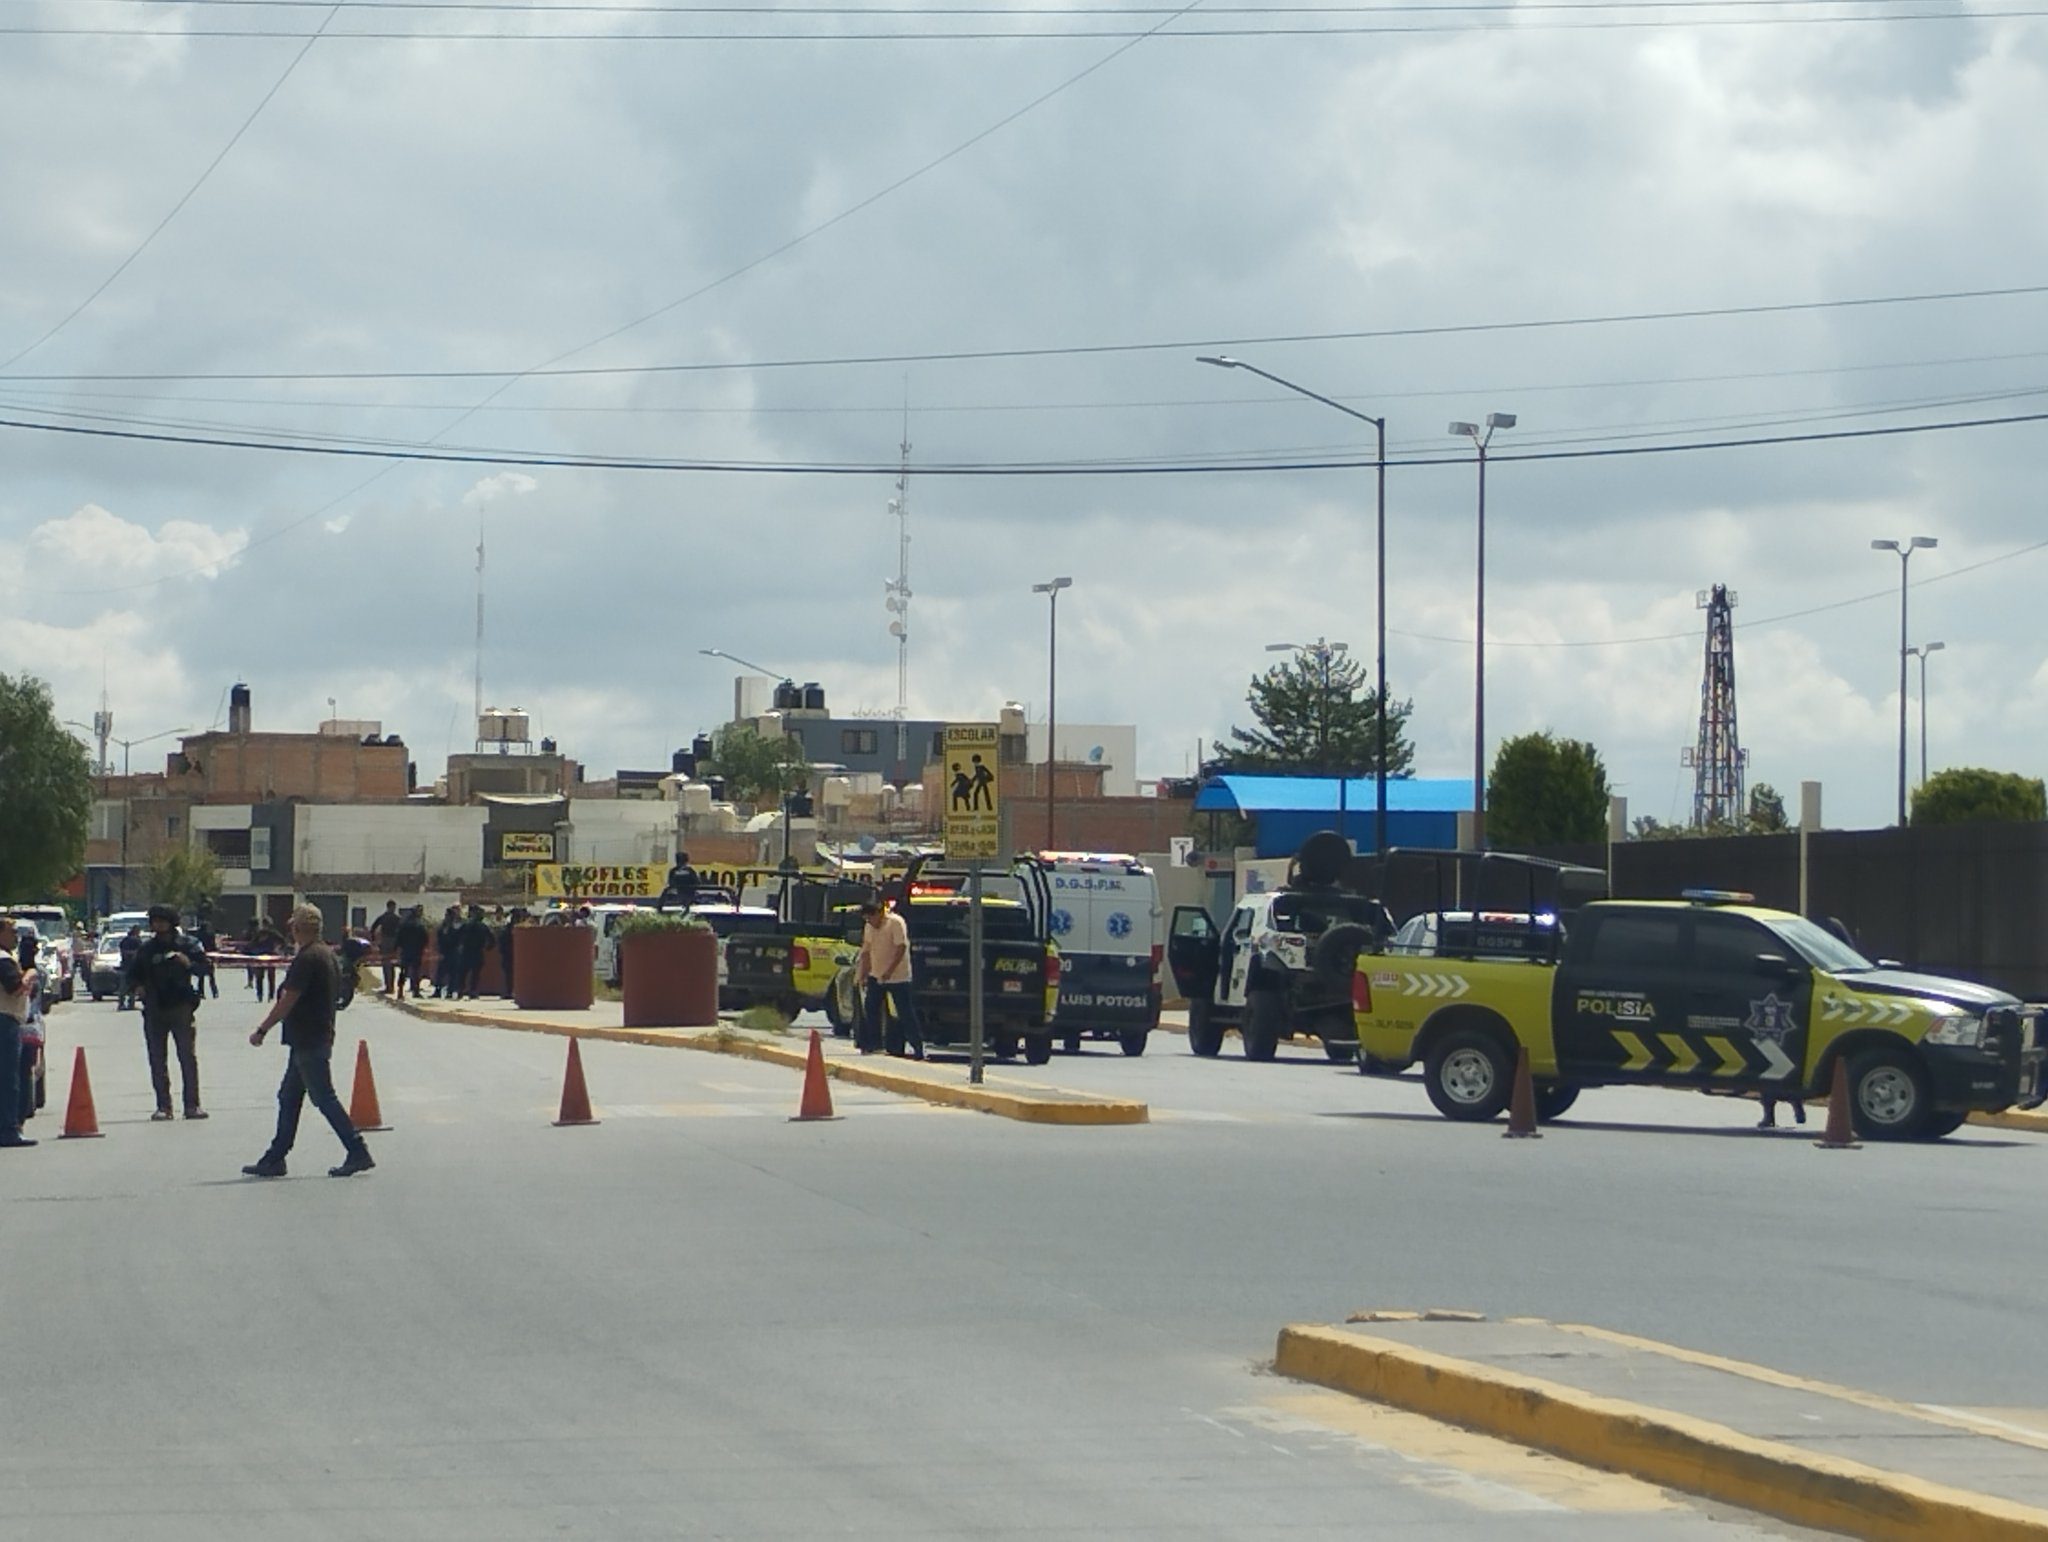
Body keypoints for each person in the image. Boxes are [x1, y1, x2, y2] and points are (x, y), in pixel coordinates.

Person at [242, 904, 374, 1179]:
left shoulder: (308, 958)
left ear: (299, 928)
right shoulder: (326, 954)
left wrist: (262, 1029)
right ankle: (275, 1157)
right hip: (311, 1036)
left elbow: (288, 999)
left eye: (293, 926)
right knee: (289, 1097)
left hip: (309, 1039)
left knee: (324, 1097)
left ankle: (357, 1150)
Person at [129, 903, 209, 1121]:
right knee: (157, 1059)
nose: (158, 925)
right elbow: (132, 974)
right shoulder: (146, 950)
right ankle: (164, 1106)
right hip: (155, 1007)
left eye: (162, 920)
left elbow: (206, 968)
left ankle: (192, 1105)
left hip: (181, 1006)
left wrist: (188, 963)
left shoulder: (189, 945)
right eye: (155, 921)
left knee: (187, 1057)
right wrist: (138, 987)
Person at [853, 898, 922, 1060]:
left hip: (898, 976)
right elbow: (866, 951)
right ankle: (872, 1044)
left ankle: (917, 1046)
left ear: (880, 913)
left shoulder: (895, 923)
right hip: (876, 975)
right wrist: (862, 974)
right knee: (870, 1008)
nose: (869, 922)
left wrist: (889, 971)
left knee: (905, 1012)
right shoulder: (869, 927)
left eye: (871, 918)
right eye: (866, 919)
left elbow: (901, 947)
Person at [0, 917, 39, 1148]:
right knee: (8, 1077)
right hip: (5, 1020)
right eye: (11, 931)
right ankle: (9, 1129)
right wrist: (30, 973)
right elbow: (15, 989)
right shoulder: (3, 960)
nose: (15, 936)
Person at [457, 904, 494, 998]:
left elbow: (457, 937)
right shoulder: (482, 926)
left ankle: (461, 990)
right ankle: (472, 991)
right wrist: (488, 947)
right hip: (476, 951)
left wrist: (458, 947)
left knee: (463, 972)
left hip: (467, 951)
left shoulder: (465, 925)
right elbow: (491, 939)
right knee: (474, 973)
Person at [369, 900, 402, 994]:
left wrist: (373, 939)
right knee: (391, 964)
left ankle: (389, 986)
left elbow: (373, 928)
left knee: (386, 964)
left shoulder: (383, 917)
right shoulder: (397, 918)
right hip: (394, 942)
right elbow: (402, 930)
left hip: (385, 941)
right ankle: (391, 986)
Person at [396, 906, 429, 998]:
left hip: (405, 950)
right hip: (416, 951)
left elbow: (399, 938)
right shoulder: (419, 925)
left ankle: (400, 990)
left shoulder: (404, 924)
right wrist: (422, 947)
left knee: (403, 971)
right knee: (415, 972)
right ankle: (416, 991)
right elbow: (425, 938)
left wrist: (399, 947)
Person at [250, 919, 286, 1002]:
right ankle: (260, 995)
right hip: (260, 956)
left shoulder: (273, 933)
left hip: (271, 956)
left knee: (271, 977)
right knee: (260, 977)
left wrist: (279, 949)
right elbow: (252, 943)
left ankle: (270, 995)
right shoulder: (260, 934)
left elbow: (282, 941)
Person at [433, 904, 463, 998]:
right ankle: (438, 991)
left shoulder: (456, 926)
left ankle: (450, 991)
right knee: (440, 973)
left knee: (452, 973)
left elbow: (457, 939)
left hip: (452, 952)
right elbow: (439, 938)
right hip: (444, 953)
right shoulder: (443, 927)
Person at [116, 923, 142, 1010]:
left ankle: (121, 1003)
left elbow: (122, 951)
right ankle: (131, 1004)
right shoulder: (137, 941)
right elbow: (140, 952)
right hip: (133, 966)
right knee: (132, 986)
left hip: (124, 966)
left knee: (123, 986)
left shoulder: (124, 940)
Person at [194, 916, 220, 999]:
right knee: (211, 976)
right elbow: (213, 945)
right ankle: (214, 992)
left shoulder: (198, 935)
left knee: (201, 976)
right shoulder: (210, 934)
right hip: (210, 955)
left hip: (201, 956)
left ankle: (201, 992)